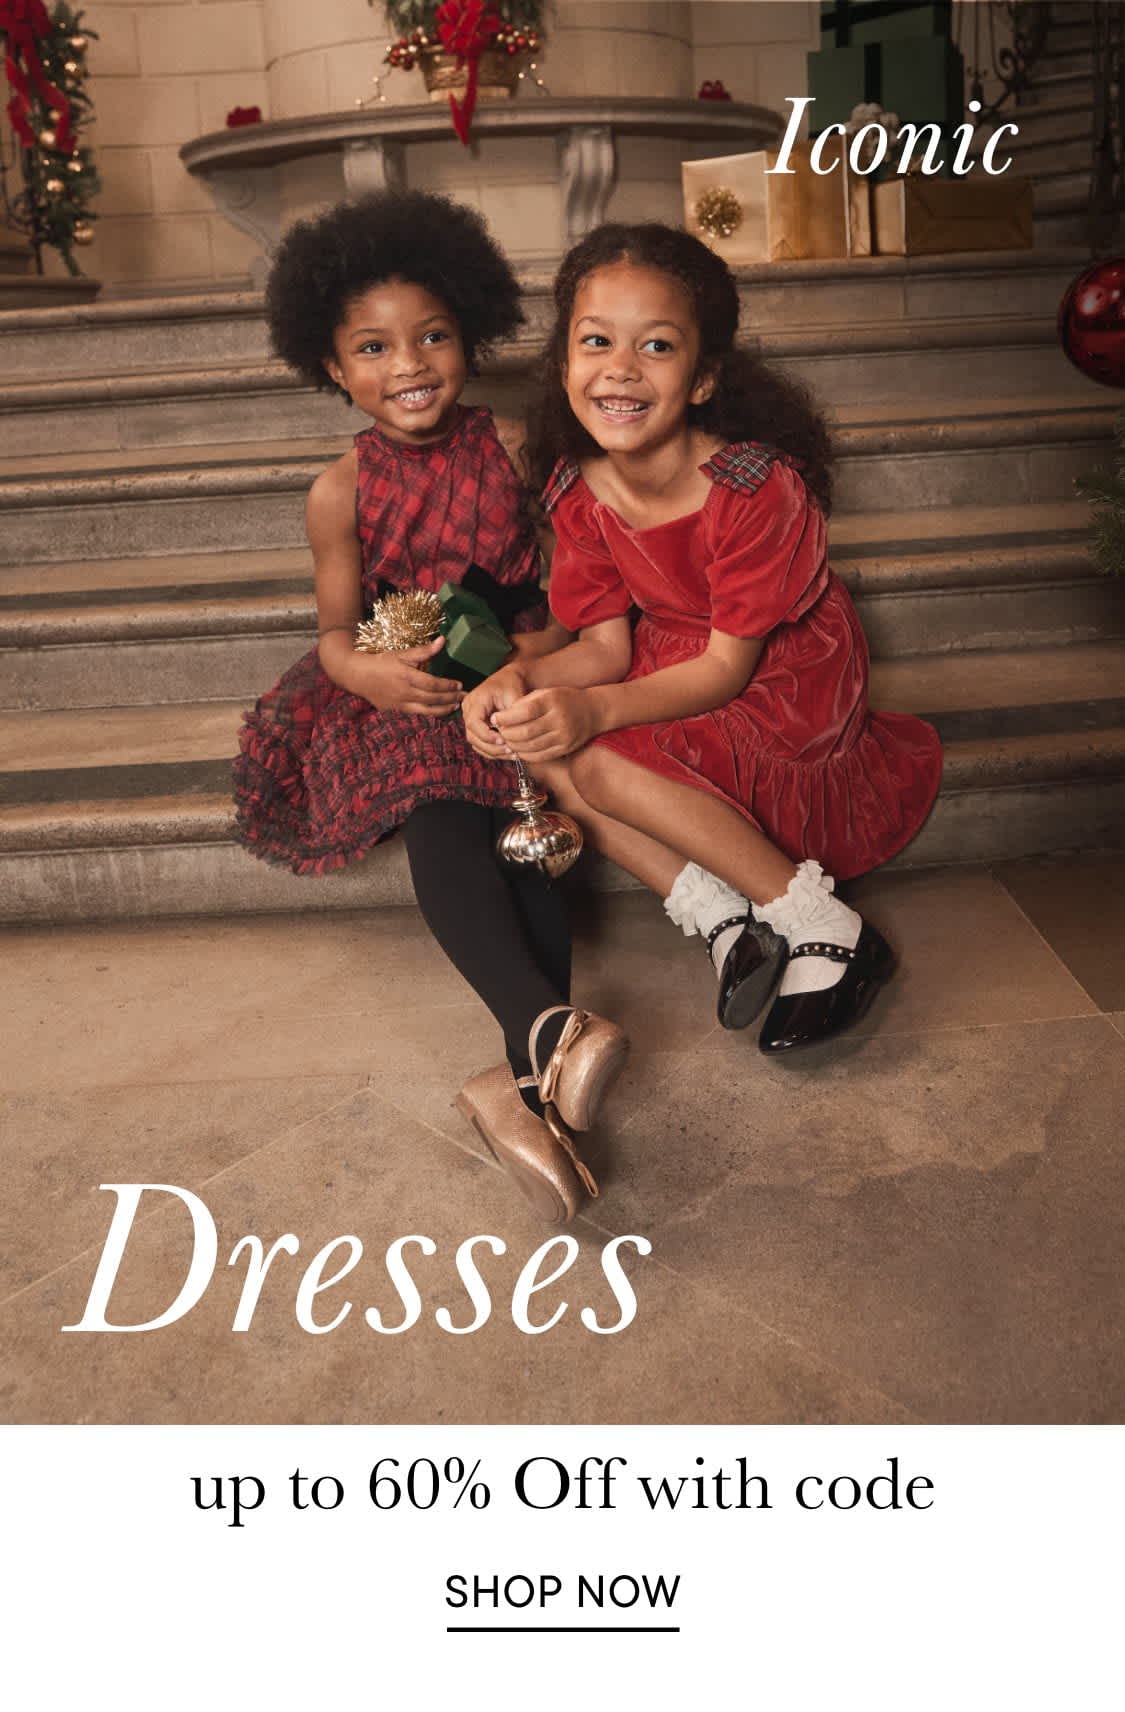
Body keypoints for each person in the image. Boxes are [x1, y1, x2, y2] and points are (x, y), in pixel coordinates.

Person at [232, 190, 626, 1224]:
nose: (407, 364)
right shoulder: (337, 492)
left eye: (433, 336)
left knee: (525, 815)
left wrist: (523, 660)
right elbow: (337, 635)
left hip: (518, 662)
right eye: (372, 347)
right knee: (442, 792)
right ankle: (539, 1046)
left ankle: (531, 1064)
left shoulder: (514, 450)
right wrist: (366, 672)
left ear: (469, 335)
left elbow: (563, 595)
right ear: (331, 365)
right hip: (400, 683)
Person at [463, 222, 943, 1053]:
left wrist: (592, 710)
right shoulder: (579, 488)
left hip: (781, 672)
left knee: (601, 757)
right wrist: (518, 681)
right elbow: (606, 648)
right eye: (595, 342)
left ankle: (826, 925)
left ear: (701, 378)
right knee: (538, 743)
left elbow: (725, 667)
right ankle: (728, 924)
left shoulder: (752, 488)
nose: (620, 367)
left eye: (655, 345)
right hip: (668, 654)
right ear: (564, 364)